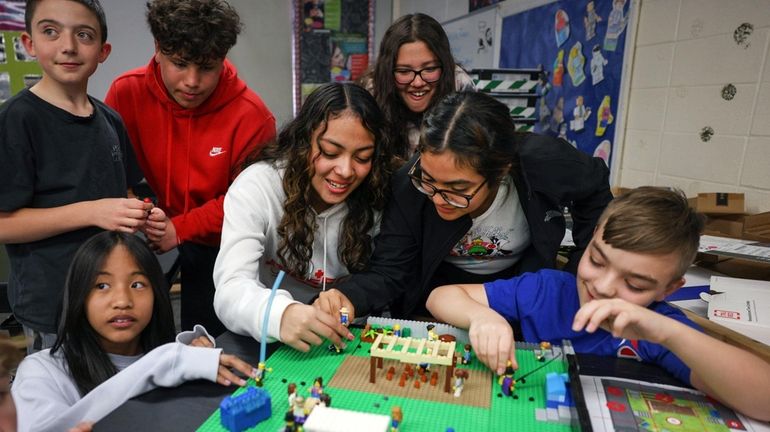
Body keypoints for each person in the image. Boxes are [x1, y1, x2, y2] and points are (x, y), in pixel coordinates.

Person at [426, 187, 770, 421]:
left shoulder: (658, 330)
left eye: (634, 283)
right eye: (597, 260)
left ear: (668, 289)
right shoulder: (547, 290)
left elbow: (764, 401)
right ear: (588, 242)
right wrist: (481, 317)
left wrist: (669, 333)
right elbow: (439, 297)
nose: (602, 287)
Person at [314, 91, 612, 321]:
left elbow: (596, 189)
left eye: (459, 190)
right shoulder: (409, 185)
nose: (438, 199)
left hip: (518, 289)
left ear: (501, 170)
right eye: (429, 180)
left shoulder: (544, 162)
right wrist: (348, 296)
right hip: (437, 298)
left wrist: (577, 272)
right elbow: (391, 271)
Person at [105, 0, 276, 336]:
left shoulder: (253, 116)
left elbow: (251, 205)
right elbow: (111, 176)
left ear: (224, 56)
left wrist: (180, 229)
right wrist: (142, 211)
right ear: (157, 48)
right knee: (136, 336)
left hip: (219, 240)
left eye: (207, 67)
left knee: (211, 340)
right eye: (180, 64)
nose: (192, 81)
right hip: (150, 231)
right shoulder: (126, 93)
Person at [0, 0, 162, 354]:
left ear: (103, 51)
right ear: (29, 43)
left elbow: (127, 193)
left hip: (110, 300)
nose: (68, 46)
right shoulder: (16, 120)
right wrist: (91, 212)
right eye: (51, 32)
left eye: (83, 35)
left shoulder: (110, 120)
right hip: (53, 306)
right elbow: (3, 224)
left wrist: (145, 214)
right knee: (62, 403)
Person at [11, 231, 258, 432]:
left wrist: (183, 357)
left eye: (137, 284)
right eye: (102, 285)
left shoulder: (173, 358)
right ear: (78, 296)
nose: (122, 300)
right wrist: (168, 362)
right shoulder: (40, 372)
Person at [214, 83, 394, 352]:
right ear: (303, 141)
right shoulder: (258, 186)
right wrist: (281, 314)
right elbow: (230, 290)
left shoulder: (378, 193)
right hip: (270, 339)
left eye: (362, 157)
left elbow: (388, 277)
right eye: (330, 153)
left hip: (350, 339)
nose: (345, 171)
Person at [361, 13, 474, 158]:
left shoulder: (459, 84)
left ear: (444, 65)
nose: (418, 83)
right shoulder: (373, 89)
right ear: (388, 71)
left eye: (429, 69)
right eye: (404, 71)